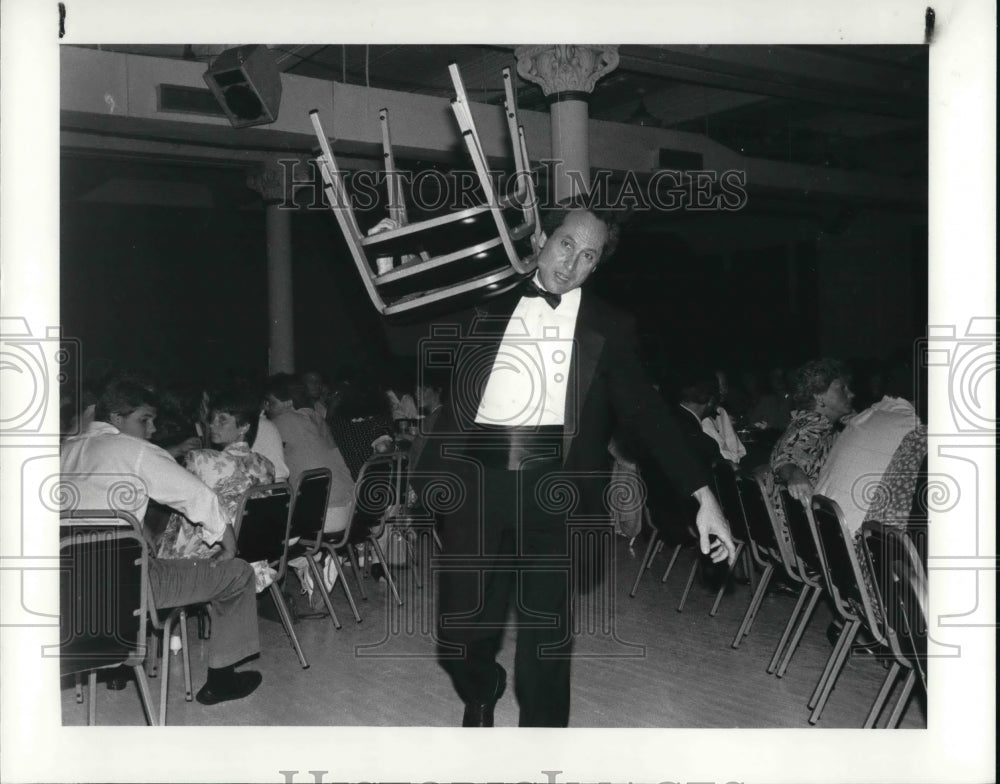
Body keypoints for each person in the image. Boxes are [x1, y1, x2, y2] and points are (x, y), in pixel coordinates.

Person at [417, 200, 735, 728]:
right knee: (459, 633)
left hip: (556, 494)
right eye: (566, 245)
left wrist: (704, 496)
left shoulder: (609, 326)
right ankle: (481, 683)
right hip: (477, 482)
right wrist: (408, 254)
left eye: (588, 257)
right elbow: (412, 312)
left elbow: (650, 414)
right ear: (542, 236)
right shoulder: (487, 301)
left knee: (546, 642)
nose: (571, 264)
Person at [60, 377, 263, 705]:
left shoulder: (65, 451)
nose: (152, 429)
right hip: (129, 589)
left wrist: (143, 530)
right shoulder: (135, 450)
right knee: (238, 574)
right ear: (116, 419)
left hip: (70, 594)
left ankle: (114, 671)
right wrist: (227, 541)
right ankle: (222, 680)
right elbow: (196, 495)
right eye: (144, 420)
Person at [156, 385, 276, 559]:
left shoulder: (200, 459)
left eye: (222, 420)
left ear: (244, 427)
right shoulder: (267, 465)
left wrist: (164, 543)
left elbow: (178, 514)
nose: (212, 425)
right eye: (212, 418)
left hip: (205, 553)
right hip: (250, 550)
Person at [764, 358, 854, 561]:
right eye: (842, 389)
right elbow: (786, 458)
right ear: (819, 396)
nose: (851, 394)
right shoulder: (814, 427)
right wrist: (794, 474)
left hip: (781, 535)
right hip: (805, 542)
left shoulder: (806, 422)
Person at [265, 373, 354, 533]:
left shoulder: (278, 423)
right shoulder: (316, 417)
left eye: (271, 403)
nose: (267, 408)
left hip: (322, 516)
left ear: (288, 402)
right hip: (351, 509)